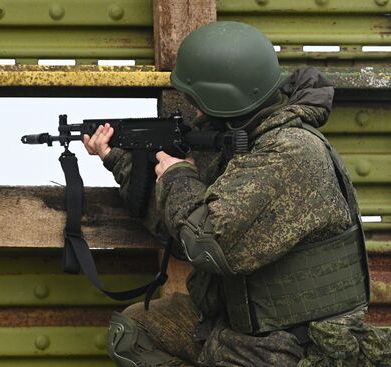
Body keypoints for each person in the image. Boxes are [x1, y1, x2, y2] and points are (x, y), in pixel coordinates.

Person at [84, 21, 391, 367]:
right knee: (133, 332)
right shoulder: (246, 141)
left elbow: (208, 243)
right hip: (241, 326)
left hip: (298, 346)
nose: (195, 113)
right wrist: (118, 160)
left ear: (224, 98)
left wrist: (178, 175)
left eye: (198, 102)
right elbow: (178, 227)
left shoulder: (289, 153)